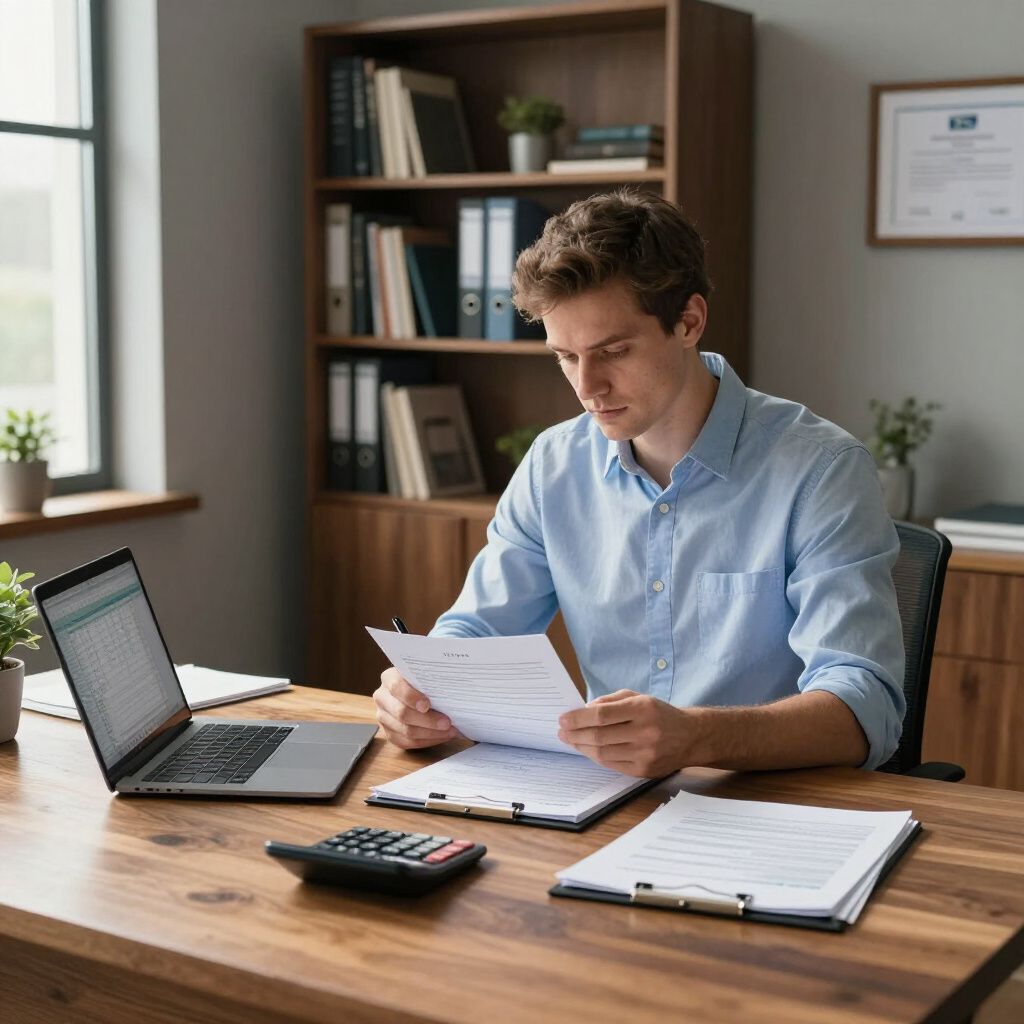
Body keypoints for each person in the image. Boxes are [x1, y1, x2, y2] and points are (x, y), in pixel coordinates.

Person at [373, 188, 905, 778]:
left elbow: (864, 707)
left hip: (769, 808)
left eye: (613, 351)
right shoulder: (554, 465)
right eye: (565, 357)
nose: (586, 387)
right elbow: (476, 632)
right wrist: (420, 690)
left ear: (689, 321)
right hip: (607, 801)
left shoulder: (820, 470)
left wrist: (698, 737)